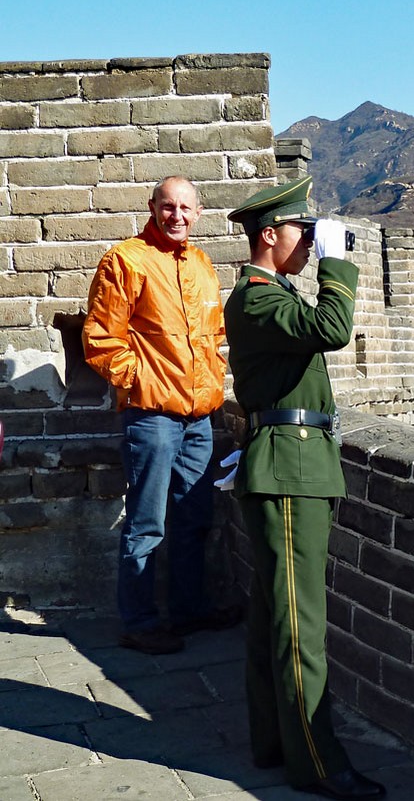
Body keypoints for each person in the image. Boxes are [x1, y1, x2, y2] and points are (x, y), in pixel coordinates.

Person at [223, 176, 385, 800]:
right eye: (303, 232)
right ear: (270, 235)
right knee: (299, 624)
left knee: (273, 614)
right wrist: (340, 264)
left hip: (290, 464)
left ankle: (273, 743)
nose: (311, 243)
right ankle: (317, 760)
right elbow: (334, 326)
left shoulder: (268, 296)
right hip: (288, 469)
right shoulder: (259, 300)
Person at [83, 176, 241, 655]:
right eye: (167, 206)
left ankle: (189, 610)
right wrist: (141, 384)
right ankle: (139, 621)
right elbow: (100, 339)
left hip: (199, 419)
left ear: (198, 213)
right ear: (151, 207)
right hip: (152, 417)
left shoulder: (202, 264)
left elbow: (213, 337)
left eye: (185, 208)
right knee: (147, 522)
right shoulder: (126, 260)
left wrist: (213, 379)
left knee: (194, 518)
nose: (177, 215)